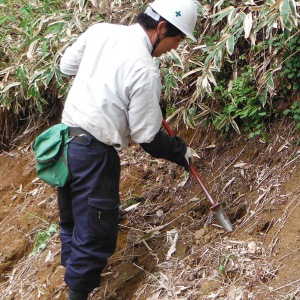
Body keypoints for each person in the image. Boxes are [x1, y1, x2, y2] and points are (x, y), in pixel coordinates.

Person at [58, 0, 198, 299]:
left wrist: (101, 76)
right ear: (161, 28)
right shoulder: (145, 70)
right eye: (177, 40)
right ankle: (77, 293)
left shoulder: (100, 32)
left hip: (66, 144)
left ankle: (72, 280)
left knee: (72, 220)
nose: (174, 48)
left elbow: (66, 65)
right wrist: (179, 151)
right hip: (94, 154)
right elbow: (146, 136)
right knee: (95, 234)